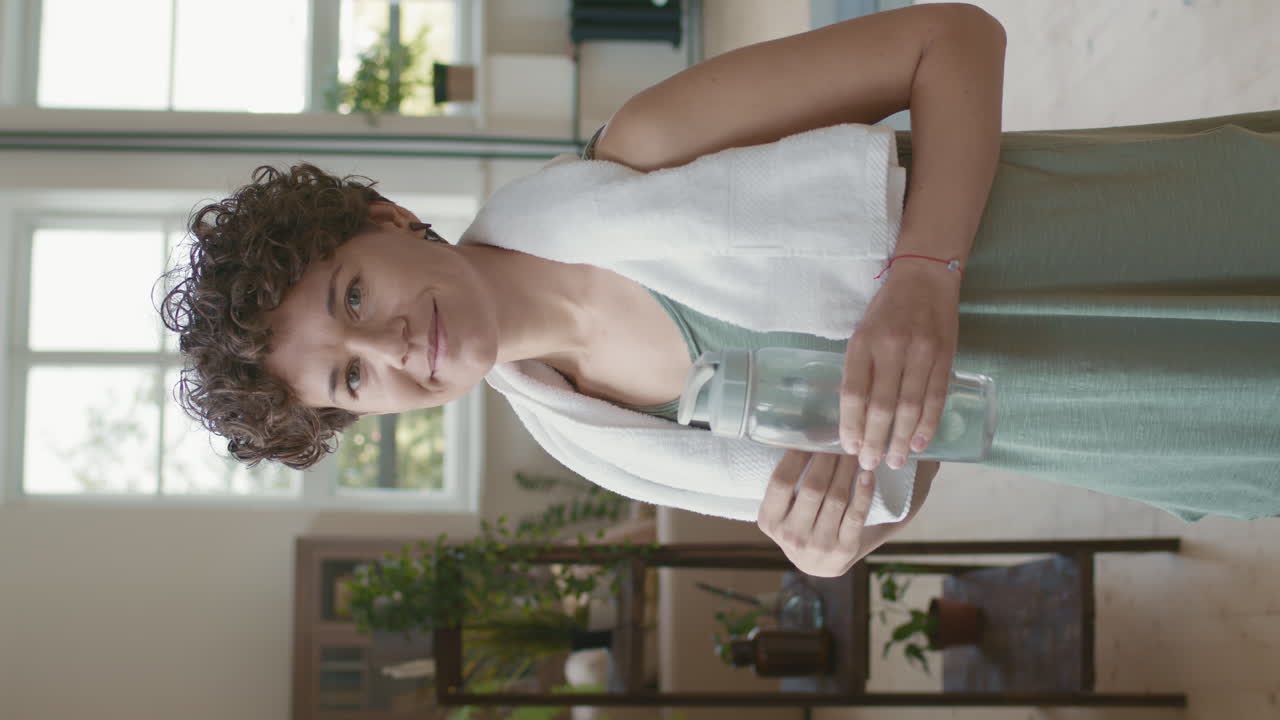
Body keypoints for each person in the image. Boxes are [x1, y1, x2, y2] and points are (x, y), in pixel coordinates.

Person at [160, 4, 1280, 578]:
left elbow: (952, 38)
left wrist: (923, 274)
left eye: (352, 298)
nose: (396, 348)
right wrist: (835, 540)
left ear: (389, 222)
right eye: (350, 380)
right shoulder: (597, 445)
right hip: (1108, 418)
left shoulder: (640, 155)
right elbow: (900, 455)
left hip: (1116, 240)